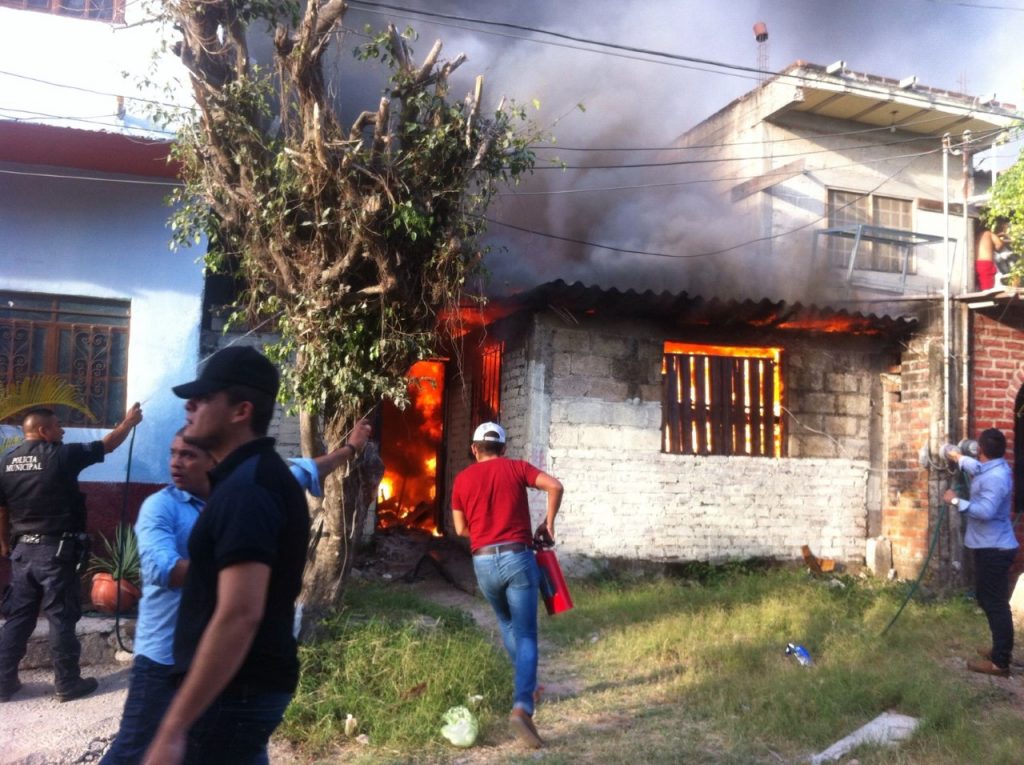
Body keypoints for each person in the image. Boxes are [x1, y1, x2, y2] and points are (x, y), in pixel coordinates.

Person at [101, 420, 370, 764]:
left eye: (188, 455)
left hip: (216, 657)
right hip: (163, 660)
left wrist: (350, 448)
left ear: (214, 461)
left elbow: (307, 469)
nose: (175, 463)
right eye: (173, 454)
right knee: (131, 751)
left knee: (238, 747)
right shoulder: (161, 506)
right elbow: (164, 570)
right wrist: (244, 569)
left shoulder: (246, 494)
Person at [140, 345, 340, 764]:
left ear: (240, 411)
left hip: (233, 691)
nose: (190, 406)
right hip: (243, 688)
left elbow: (239, 614)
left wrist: (174, 726)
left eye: (204, 397)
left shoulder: (247, 488)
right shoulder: (254, 475)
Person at [0, 402, 144, 703]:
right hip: (55, 551)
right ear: (43, 431)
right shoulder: (62, 456)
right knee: (61, 617)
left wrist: (4, 544)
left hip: (22, 552)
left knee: (19, 616)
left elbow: (1, 509)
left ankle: (3, 682)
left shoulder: (6, 462)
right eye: (57, 426)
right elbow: (107, 445)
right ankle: (67, 683)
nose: (63, 431)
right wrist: (128, 423)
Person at [450, 422, 563, 749]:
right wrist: (548, 524)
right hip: (518, 558)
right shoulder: (516, 468)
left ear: (474, 449)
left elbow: (460, 529)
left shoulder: (462, 480)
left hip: (484, 562)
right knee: (526, 633)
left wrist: (487, 533)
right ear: (503, 448)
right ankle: (523, 705)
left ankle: (529, 686)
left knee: (507, 623)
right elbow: (555, 486)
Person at [943, 428, 1019, 677]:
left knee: (995, 604)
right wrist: (957, 457)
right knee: (986, 599)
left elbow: (985, 511)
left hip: (995, 549)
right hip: (987, 546)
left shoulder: (996, 477)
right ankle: (1000, 648)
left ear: (981, 450)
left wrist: (955, 500)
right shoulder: (991, 466)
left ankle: (1000, 662)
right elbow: (975, 467)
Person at [976, 218, 1010, 290]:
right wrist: (999, 238)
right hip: (985, 264)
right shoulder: (988, 233)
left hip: (974, 263)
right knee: (987, 290)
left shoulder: (975, 234)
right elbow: (999, 245)